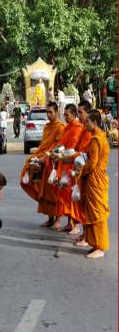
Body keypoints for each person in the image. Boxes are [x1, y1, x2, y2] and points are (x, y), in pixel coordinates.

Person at [21, 101, 65, 227]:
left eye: (51, 112)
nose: (49, 115)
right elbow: (44, 144)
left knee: (54, 192)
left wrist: (47, 156)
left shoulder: (60, 127)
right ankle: (50, 219)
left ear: (57, 112)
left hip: (54, 162)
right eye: (48, 112)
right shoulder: (47, 127)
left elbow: (59, 146)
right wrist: (39, 155)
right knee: (44, 191)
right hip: (44, 161)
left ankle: (58, 219)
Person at [75, 110, 110, 259]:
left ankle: (100, 247)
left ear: (95, 122)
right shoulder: (100, 136)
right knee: (92, 211)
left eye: (88, 121)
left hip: (95, 179)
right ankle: (95, 244)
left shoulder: (96, 139)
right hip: (96, 178)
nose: (85, 123)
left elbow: (92, 163)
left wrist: (80, 171)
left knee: (97, 213)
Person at [61, 100, 92, 237]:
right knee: (72, 197)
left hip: (85, 169)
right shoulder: (83, 129)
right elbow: (78, 149)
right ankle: (75, 226)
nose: (79, 115)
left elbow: (84, 152)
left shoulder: (89, 131)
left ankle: (85, 233)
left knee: (84, 202)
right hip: (74, 164)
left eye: (81, 112)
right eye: (78, 112)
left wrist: (68, 156)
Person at [50, 104, 83, 230]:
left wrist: (61, 154)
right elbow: (61, 143)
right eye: (64, 114)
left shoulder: (78, 128)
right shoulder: (68, 127)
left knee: (73, 195)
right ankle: (70, 223)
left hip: (72, 164)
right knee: (65, 195)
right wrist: (55, 152)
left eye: (67, 115)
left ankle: (76, 225)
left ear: (74, 114)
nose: (65, 117)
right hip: (64, 163)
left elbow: (74, 148)